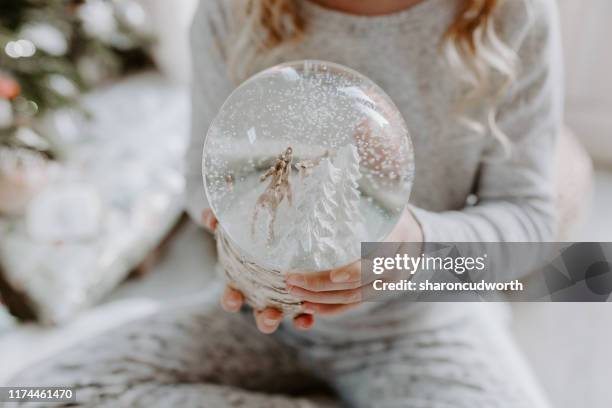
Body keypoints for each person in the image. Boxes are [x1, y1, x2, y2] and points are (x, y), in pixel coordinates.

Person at [11, 0, 560, 406]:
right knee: (35, 395)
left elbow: (536, 236)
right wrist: (235, 239)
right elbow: (205, 178)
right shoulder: (235, 11)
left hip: (424, 325)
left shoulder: (513, 16)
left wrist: (413, 248)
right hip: (260, 315)